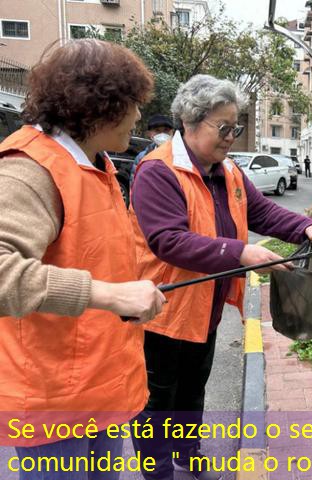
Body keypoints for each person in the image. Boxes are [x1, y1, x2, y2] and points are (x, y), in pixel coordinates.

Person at [129, 74, 312, 480]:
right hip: (164, 310)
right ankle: (158, 471)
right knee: (157, 401)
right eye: (224, 128)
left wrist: (303, 227)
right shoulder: (158, 172)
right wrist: (241, 252)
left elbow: (262, 213)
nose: (231, 137)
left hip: (206, 306)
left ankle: (187, 453)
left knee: (193, 389)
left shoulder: (228, 172)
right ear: (190, 121)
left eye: (235, 127)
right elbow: (169, 241)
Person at [0, 39, 166, 479]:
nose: (137, 116)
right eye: (131, 104)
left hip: (99, 387)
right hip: (53, 404)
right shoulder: (29, 169)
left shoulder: (95, 165)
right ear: (98, 106)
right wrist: (110, 295)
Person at [129, 114, 175, 184]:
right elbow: (134, 182)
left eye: (166, 130)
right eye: (157, 130)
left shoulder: (181, 155)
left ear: (172, 132)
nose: (162, 134)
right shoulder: (142, 157)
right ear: (149, 134)